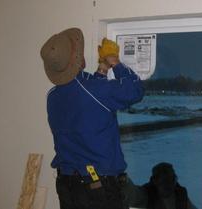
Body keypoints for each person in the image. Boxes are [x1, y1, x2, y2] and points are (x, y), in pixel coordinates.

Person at [40, 27, 144, 209]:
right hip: (97, 187)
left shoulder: (53, 96)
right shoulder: (95, 91)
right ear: (78, 58)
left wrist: (102, 71)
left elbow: (88, 103)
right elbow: (135, 91)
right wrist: (114, 61)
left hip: (67, 184)